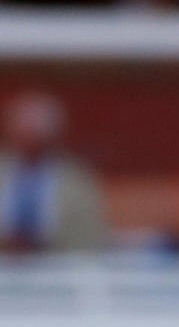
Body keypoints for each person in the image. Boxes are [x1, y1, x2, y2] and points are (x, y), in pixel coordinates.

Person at [0, 90, 109, 252]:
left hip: (58, 268)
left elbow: (89, 237)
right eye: (23, 132)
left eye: (36, 134)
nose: (29, 140)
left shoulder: (77, 180)